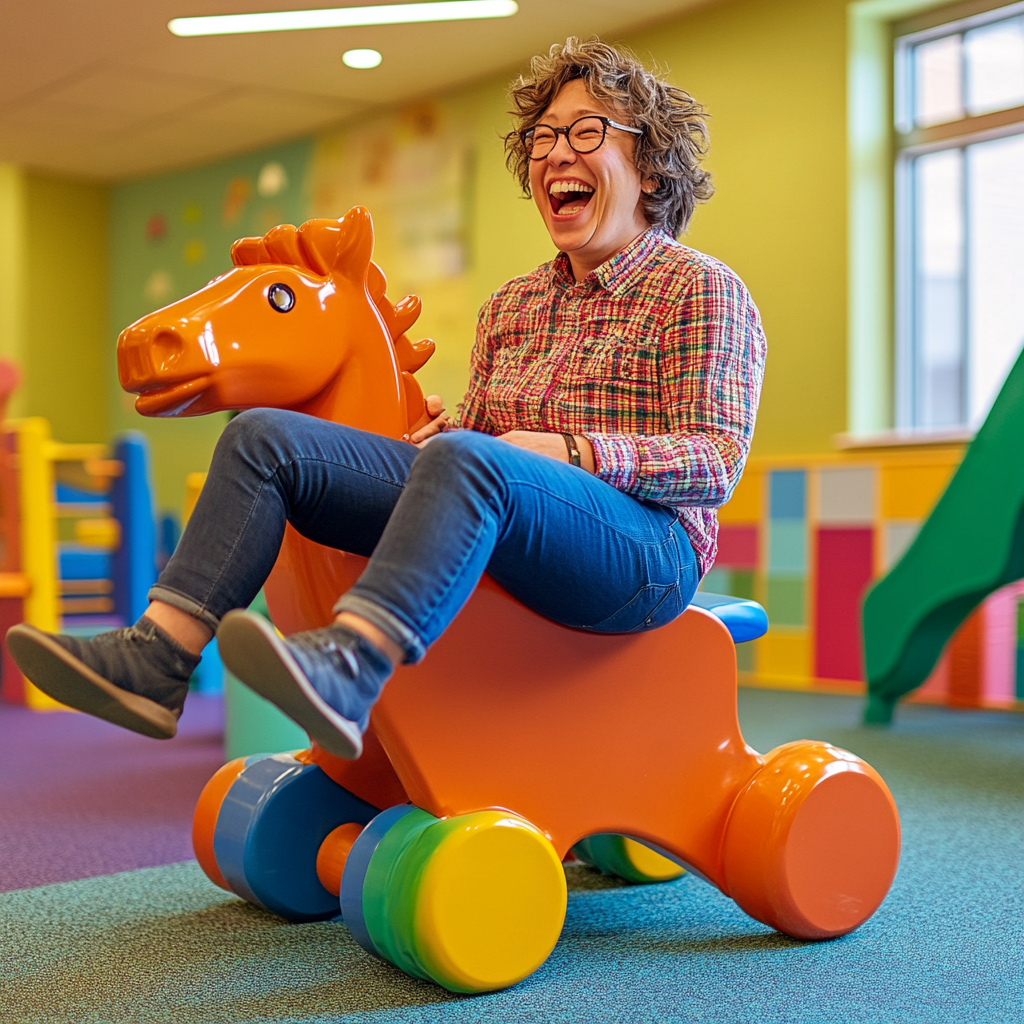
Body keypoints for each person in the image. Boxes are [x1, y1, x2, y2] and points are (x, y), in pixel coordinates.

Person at [8, 37, 766, 762]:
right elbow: (481, 436)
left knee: (472, 460)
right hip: (514, 515)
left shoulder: (700, 288)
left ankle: (353, 665)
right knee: (265, 437)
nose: (556, 152)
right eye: (542, 137)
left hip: (645, 554)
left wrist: (570, 453)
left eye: (586, 131)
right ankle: (157, 656)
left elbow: (717, 461)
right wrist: (444, 440)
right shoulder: (514, 303)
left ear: (654, 170)